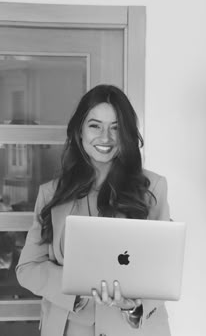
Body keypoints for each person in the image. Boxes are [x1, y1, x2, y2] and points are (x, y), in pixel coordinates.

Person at [16, 84, 171, 336]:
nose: (105, 138)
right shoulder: (51, 193)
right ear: (79, 131)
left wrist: (132, 306)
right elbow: (28, 268)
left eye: (116, 127)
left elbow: (165, 269)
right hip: (68, 328)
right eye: (95, 125)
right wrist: (77, 290)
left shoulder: (152, 188)